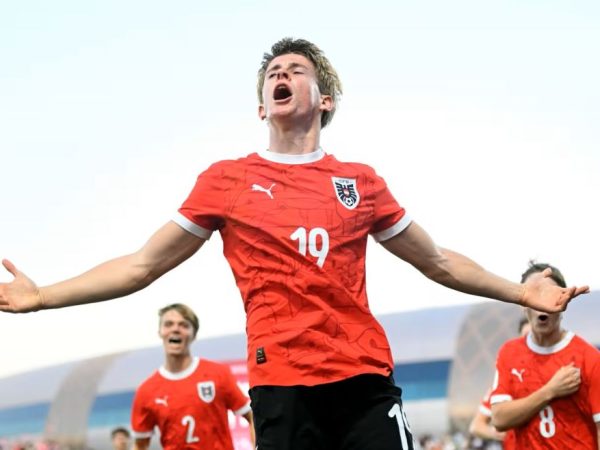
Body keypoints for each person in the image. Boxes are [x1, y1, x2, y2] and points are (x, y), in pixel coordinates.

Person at [0, 38, 590, 450]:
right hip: (281, 386)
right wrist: (43, 296)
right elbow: (141, 265)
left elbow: (436, 261)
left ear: (325, 100)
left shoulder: (359, 182)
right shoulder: (227, 181)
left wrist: (521, 292)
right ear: (262, 105)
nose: (281, 75)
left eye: (296, 69)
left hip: (362, 381)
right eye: (273, 73)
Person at [490, 262, 600, 449]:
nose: (541, 304)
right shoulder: (509, 353)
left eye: (550, 295)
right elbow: (499, 419)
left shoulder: (590, 357)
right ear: (522, 305)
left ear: (565, 300)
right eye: (534, 295)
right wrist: (550, 391)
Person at [130, 303, 254, 450]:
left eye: (183, 325)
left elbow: (252, 416)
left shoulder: (217, 373)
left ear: (193, 334)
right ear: (160, 332)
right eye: (169, 324)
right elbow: (140, 444)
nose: (175, 329)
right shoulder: (146, 391)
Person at [467, 318, 531, 449]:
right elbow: (476, 426)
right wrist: (497, 433)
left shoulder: (556, 374)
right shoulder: (505, 383)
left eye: (533, 336)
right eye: (525, 336)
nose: (530, 341)